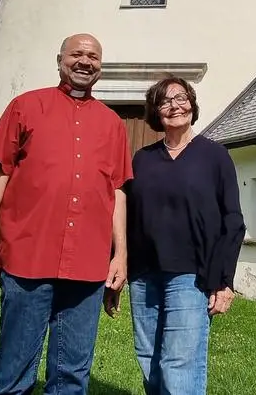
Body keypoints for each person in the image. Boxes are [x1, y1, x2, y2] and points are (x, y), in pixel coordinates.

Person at [0, 33, 132, 395]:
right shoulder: (25, 106)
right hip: (28, 256)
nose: (85, 61)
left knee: (72, 373)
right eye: (77, 54)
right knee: (15, 367)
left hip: (87, 264)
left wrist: (120, 255)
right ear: (60, 59)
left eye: (93, 57)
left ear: (100, 68)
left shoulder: (113, 124)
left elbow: (116, 190)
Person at [105, 76, 245, 395]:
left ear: (192, 105)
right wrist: (117, 266)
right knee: (149, 359)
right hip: (144, 276)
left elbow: (233, 220)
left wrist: (223, 280)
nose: (174, 106)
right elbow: (124, 214)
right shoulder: (143, 159)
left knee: (178, 362)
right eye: (165, 101)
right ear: (156, 112)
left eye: (181, 98)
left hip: (190, 275)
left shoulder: (215, 156)